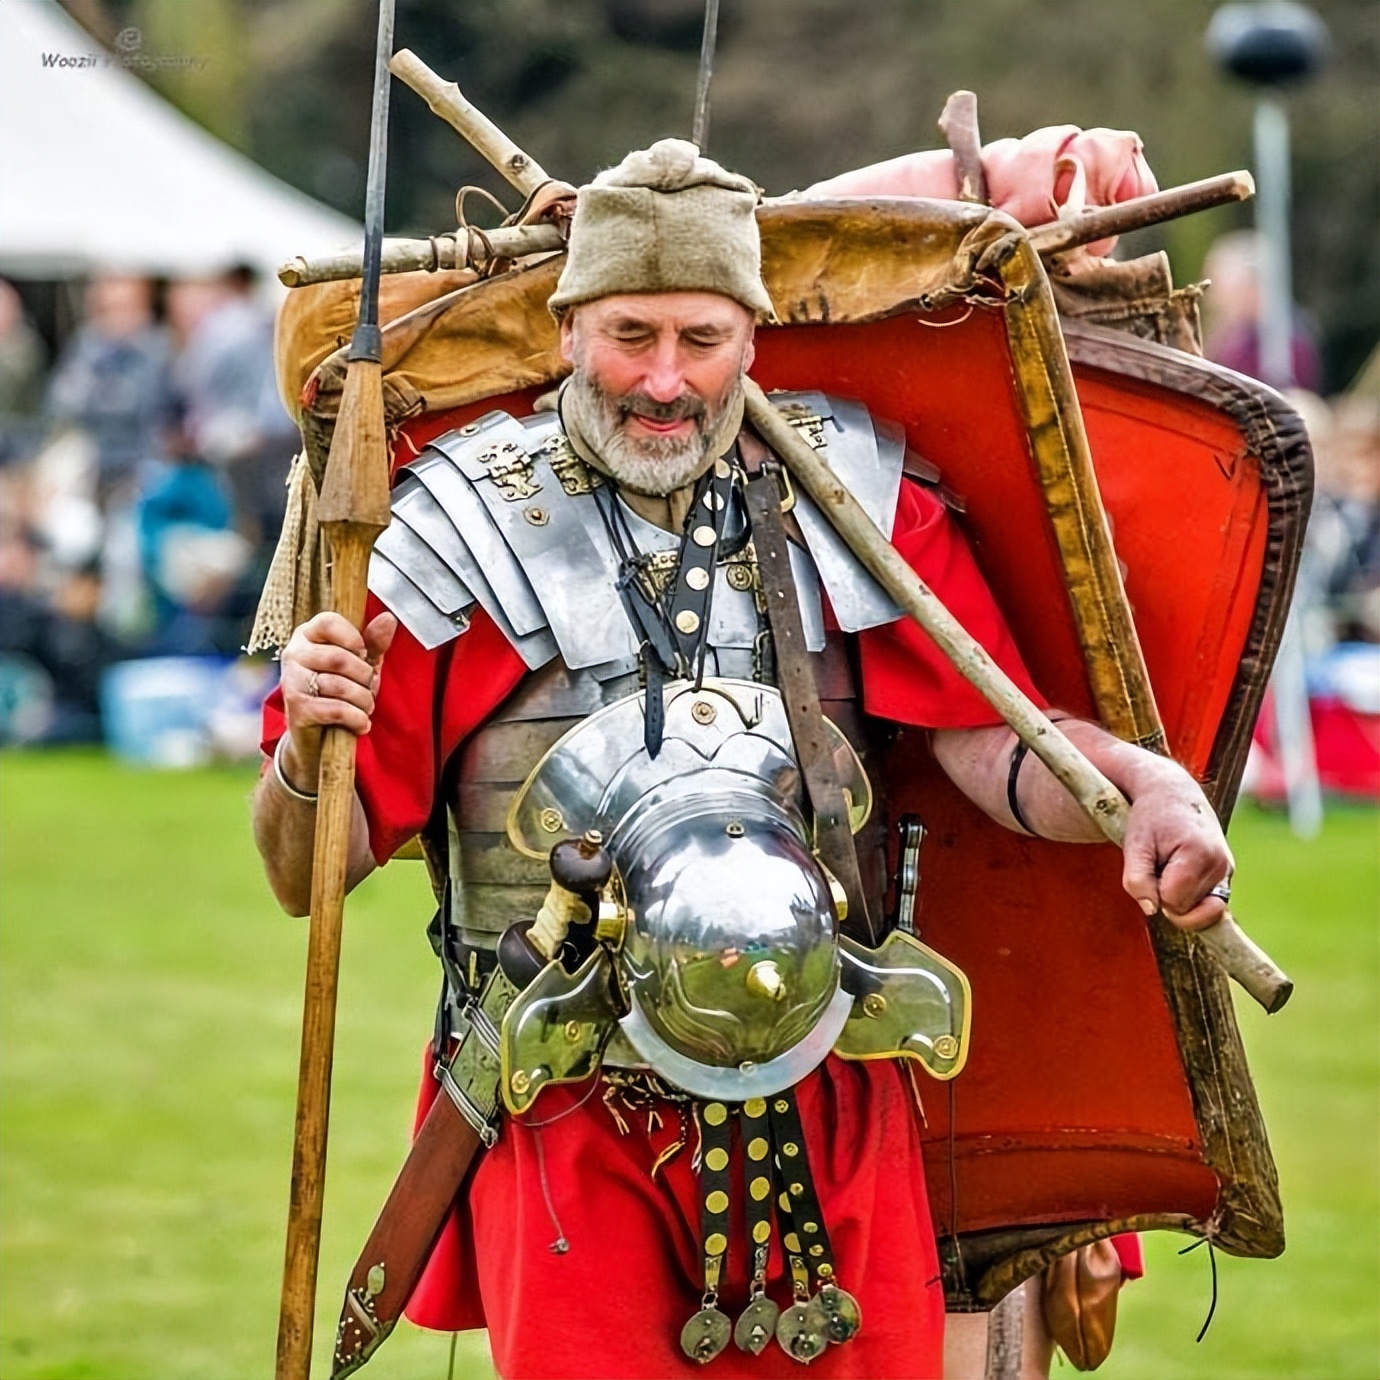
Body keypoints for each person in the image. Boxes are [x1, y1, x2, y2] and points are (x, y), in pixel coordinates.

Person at [253, 140, 1232, 1380]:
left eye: (702, 338)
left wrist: (1139, 789)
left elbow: (999, 743)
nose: (666, 380)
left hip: (826, 1086)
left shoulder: (855, 491)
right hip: (569, 1105)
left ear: (754, 338)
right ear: (566, 327)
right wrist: (307, 760)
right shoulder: (453, 531)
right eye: (631, 334)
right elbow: (308, 873)